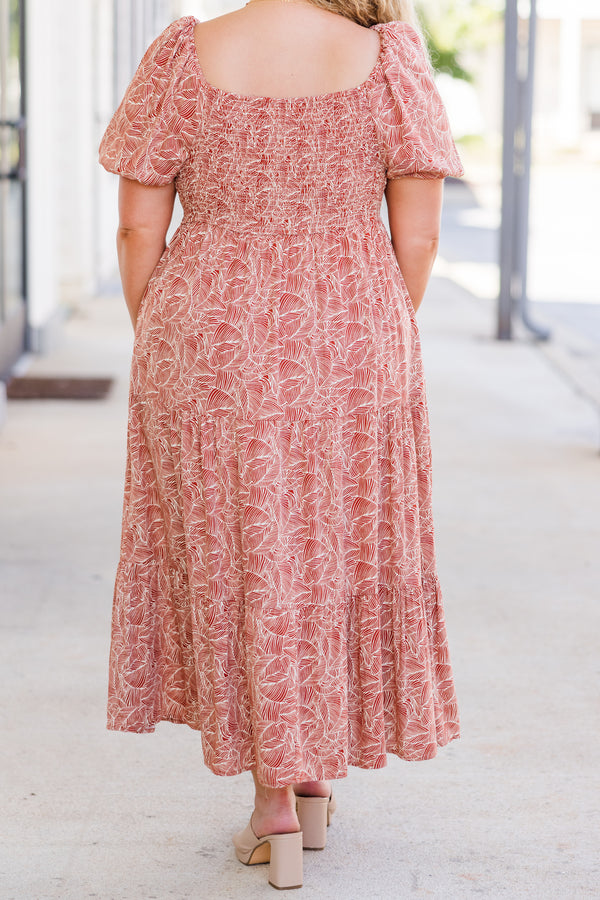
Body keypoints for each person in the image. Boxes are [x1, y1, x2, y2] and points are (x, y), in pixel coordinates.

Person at [99, 0, 462, 890]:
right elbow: (418, 236)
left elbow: (138, 229)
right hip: (351, 334)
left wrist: (167, 336)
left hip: (208, 337)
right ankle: (310, 779)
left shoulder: (184, 52)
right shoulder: (390, 59)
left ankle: (272, 808)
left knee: (242, 556)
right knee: (328, 551)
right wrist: (366, 334)